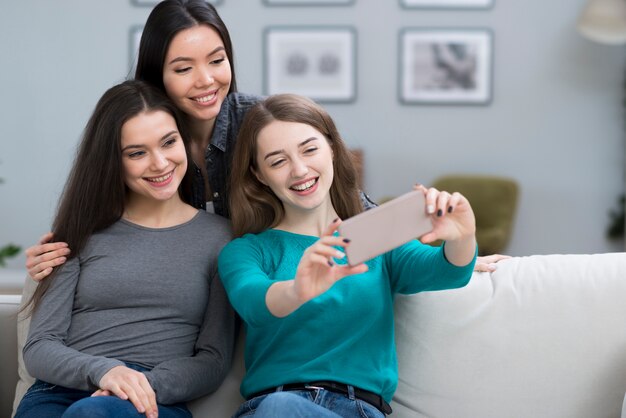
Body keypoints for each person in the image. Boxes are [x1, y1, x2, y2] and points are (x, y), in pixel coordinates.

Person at [23, 1, 504, 283]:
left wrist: (456, 255)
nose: (206, 80)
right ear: (157, 74)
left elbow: (343, 206)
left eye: (217, 60)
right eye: (183, 68)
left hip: (267, 286)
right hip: (187, 298)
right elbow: (104, 204)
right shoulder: (143, 134)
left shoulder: (259, 121)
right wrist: (62, 250)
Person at [217, 94, 477, 417]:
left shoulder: (375, 235)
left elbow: (448, 271)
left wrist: (463, 236)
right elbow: (253, 302)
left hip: (359, 410)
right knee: (280, 408)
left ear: (332, 148)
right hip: (273, 408)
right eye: (277, 161)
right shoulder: (246, 251)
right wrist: (296, 291)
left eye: (309, 149)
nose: (299, 170)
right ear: (258, 174)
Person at [14, 80, 235, 418]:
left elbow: (212, 359)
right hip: (57, 393)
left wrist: (139, 384)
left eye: (168, 142)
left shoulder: (221, 238)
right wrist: (105, 372)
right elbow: (40, 346)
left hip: (152, 400)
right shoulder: (79, 231)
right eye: (137, 153)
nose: (160, 163)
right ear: (113, 162)